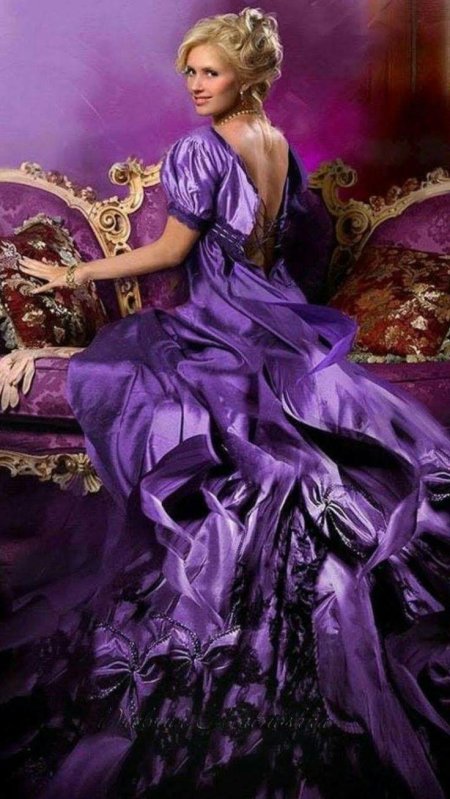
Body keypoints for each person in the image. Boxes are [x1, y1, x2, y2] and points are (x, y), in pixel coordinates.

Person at [3, 7, 450, 799]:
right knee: (311, 433)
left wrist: (73, 276)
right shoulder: (278, 146)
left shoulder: (202, 150)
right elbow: (274, 251)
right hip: (283, 314)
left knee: (131, 378)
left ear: (247, 76)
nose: (194, 85)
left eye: (210, 72)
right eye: (190, 71)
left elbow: (173, 253)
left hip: (225, 320)